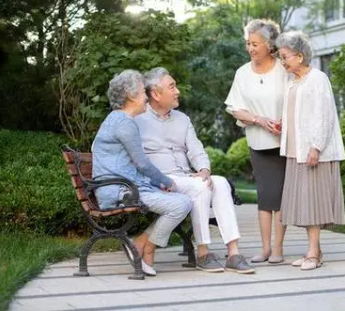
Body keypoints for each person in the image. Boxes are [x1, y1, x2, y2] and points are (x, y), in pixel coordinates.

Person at [135, 67, 254, 274]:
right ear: (155, 94)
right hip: (161, 181)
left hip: (186, 178)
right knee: (200, 187)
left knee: (220, 182)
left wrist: (204, 169)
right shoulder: (138, 119)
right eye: (172, 87)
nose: (177, 91)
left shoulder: (182, 119)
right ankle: (203, 252)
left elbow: (196, 149)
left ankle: (233, 252)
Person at [92, 69, 192, 277]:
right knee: (181, 203)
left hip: (125, 186)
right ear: (130, 96)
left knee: (181, 201)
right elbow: (142, 163)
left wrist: (157, 184)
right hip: (119, 191)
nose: (146, 96)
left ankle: (141, 244)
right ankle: (143, 245)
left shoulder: (119, 120)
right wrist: (166, 181)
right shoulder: (123, 122)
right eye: (142, 92)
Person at [276, 31, 345, 271]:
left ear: (300, 55)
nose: (282, 61)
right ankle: (314, 250)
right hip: (296, 151)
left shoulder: (317, 78)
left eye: (285, 56)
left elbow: (324, 114)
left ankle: (313, 254)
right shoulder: (292, 82)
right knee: (305, 204)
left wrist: (316, 146)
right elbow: (297, 113)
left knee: (313, 203)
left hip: (314, 151)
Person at [224, 19, 288, 263]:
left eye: (255, 44)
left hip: (284, 143)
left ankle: (279, 248)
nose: (250, 48)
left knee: (281, 197)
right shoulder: (242, 73)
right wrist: (258, 120)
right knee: (265, 195)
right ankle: (265, 249)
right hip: (258, 143)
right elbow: (235, 109)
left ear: (269, 44)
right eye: (248, 43)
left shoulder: (283, 69)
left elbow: (296, 99)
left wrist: (284, 120)